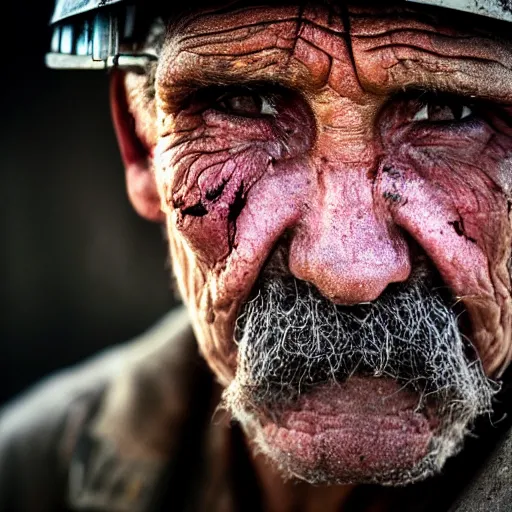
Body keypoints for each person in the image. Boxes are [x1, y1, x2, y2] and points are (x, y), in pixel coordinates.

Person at [1, 0, 512, 510]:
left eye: (446, 112)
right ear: (143, 142)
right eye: (248, 102)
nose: (348, 271)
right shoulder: (30, 477)